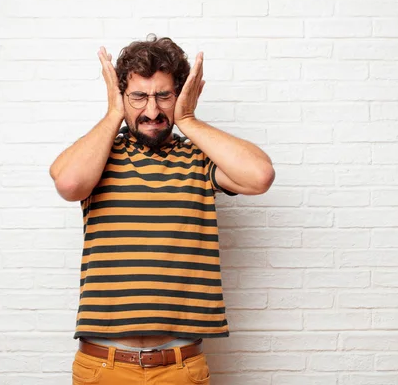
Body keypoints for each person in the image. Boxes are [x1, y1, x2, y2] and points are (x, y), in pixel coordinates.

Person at [49, 34, 275, 385]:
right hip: (103, 368)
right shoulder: (100, 155)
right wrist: (113, 114)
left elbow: (259, 177)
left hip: (181, 367)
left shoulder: (200, 159)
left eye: (164, 96)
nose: (152, 112)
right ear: (122, 96)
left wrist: (188, 120)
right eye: (138, 96)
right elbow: (68, 184)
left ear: (180, 94)